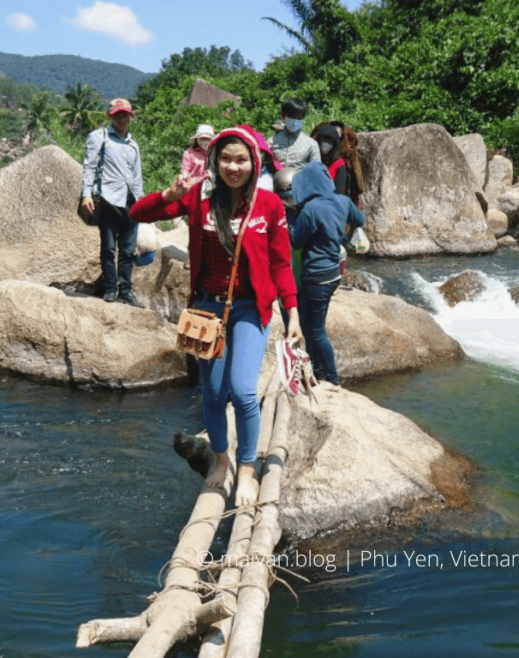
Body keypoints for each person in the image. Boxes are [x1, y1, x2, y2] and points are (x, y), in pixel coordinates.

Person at [131, 125, 302, 506]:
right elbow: (137, 212)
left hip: (251, 308)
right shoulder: (198, 198)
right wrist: (169, 195)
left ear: (254, 163)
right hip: (207, 311)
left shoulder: (269, 206)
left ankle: (246, 469)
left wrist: (292, 312)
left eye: (241, 159)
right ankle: (220, 461)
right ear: (214, 160)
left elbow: (281, 264)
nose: (233, 166)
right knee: (212, 393)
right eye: (225, 158)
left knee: (242, 390)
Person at [288, 162, 365, 389]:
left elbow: (295, 240)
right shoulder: (343, 201)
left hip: (315, 275)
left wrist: (291, 218)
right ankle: (319, 373)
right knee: (314, 326)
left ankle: (332, 378)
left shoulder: (311, 209)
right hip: (334, 273)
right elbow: (360, 220)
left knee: (316, 330)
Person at [81, 98, 145, 307]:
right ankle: (110, 288)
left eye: (125, 114)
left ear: (131, 116)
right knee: (108, 247)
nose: (122, 117)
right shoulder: (100, 137)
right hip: (108, 199)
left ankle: (126, 290)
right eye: (118, 114)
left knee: (128, 249)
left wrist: (142, 203)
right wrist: (86, 194)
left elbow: (137, 176)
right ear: (111, 116)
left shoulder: (133, 144)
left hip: (130, 201)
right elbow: (89, 166)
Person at [312, 121, 366, 206]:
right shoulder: (314, 159)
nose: (325, 144)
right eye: (323, 140)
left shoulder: (340, 162)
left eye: (329, 141)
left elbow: (339, 192)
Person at [266, 97, 319, 171]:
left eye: (299, 118)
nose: (295, 121)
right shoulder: (271, 142)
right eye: (292, 117)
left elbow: (317, 172)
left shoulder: (311, 144)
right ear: (283, 116)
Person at [181, 123, 214, 189]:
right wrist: (183, 178)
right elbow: (185, 172)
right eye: (203, 138)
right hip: (192, 186)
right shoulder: (189, 153)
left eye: (207, 138)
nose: (205, 141)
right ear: (197, 139)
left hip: (210, 187)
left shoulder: (215, 154)